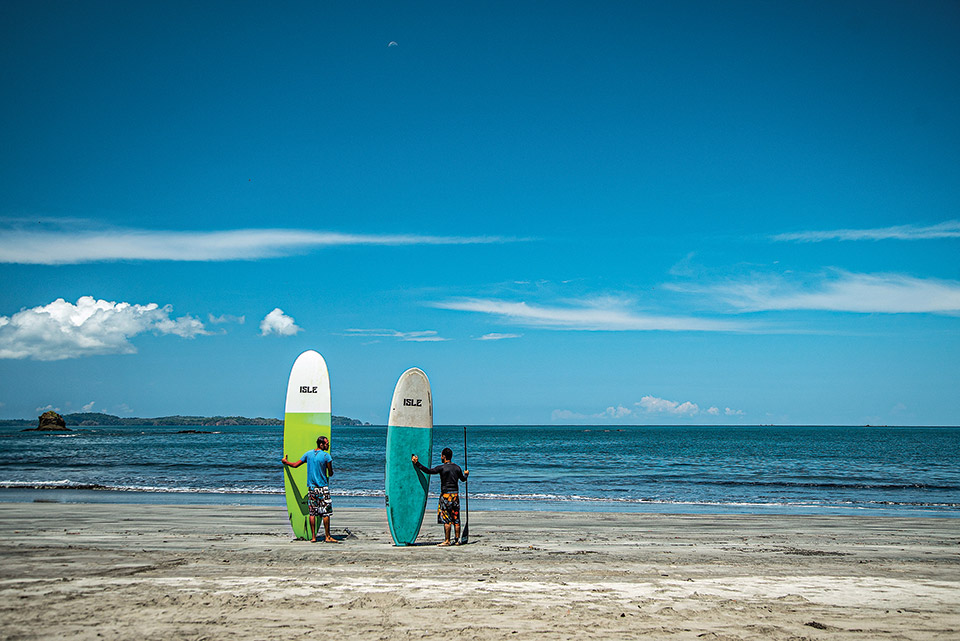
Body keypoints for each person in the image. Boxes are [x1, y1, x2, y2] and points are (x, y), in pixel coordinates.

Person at [282, 436, 337, 543]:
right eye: (326, 443)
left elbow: (295, 465)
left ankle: (313, 537)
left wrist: (285, 462)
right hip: (322, 488)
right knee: (326, 513)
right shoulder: (327, 456)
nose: (328, 445)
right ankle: (327, 536)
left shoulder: (308, 454)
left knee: (312, 512)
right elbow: (330, 473)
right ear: (321, 444)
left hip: (311, 489)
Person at [411, 447, 469, 546]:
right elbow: (463, 480)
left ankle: (447, 541)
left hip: (446, 496)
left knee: (447, 518)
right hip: (455, 495)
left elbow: (428, 471)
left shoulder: (442, 468)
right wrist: (466, 474)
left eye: (441, 455)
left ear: (444, 456)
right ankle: (457, 540)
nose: (441, 457)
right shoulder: (457, 468)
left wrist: (417, 463)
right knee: (456, 518)